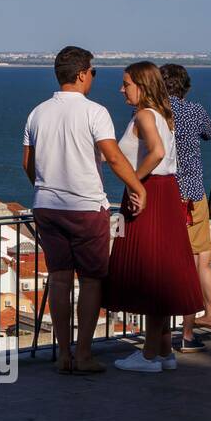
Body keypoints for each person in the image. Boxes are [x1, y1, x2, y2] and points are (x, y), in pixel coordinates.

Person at [23, 46, 147, 375]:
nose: (94, 77)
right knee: (92, 281)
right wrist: (138, 187)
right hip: (85, 207)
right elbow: (115, 157)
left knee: (59, 281)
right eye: (93, 72)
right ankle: (84, 355)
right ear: (81, 74)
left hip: (46, 207)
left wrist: (46, 187)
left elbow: (27, 164)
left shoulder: (37, 113)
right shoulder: (95, 112)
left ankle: (62, 354)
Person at [104, 62, 205, 372]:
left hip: (150, 191)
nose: (121, 89)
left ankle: (148, 356)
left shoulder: (145, 115)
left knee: (149, 270)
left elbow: (158, 152)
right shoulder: (164, 115)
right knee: (160, 269)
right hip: (165, 193)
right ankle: (163, 350)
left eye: (126, 84)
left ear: (142, 86)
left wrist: (135, 181)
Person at [160, 64, 211, 351]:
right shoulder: (194, 111)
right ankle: (187, 335)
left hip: (165, 195)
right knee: (193, 262)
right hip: (194, 196)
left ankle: (157, 336)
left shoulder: (154, 113)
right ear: (185, 86)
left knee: (160, 263)